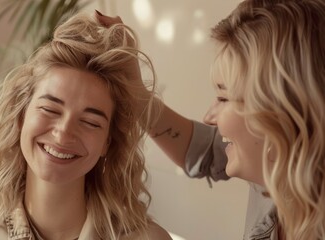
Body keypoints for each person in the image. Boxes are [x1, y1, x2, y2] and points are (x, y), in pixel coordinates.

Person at [96, 0, 325, 239]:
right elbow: (202, 151)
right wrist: (135, 89)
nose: (209, 117)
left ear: (282, 112)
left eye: (223, 98)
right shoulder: (276, 166)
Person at [0, 13, 172, 240]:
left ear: (107, 143)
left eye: (90, 122)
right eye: (49, 109)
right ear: (21, 117)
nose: (64, 132)